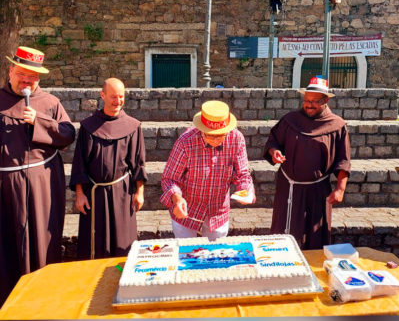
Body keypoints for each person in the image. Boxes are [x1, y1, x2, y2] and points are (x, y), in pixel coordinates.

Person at [0, 46, 75, 305]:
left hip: (43, 186)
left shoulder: (50, 103)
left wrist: (39, 121)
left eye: (33, 77)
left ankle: (43, 298)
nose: (27, 81)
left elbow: (67, 134)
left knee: (43, 239)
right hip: (5, 189)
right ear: (11, 71)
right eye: (22, 74)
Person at [263, 76, 351, 249]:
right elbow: (273, 142)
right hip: (288, 187)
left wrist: (340, 189)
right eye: (306, 100)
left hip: (318, 190)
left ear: (326, 100)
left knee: (315, 235)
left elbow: (343, 160)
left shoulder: (337, 125)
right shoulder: (290, 120)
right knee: (283, 232)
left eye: (315, 101)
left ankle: (312, 270)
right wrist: (275, 153)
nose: (309, 104)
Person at [69, 78, 147, 259]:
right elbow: (79, 163)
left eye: (121, 97)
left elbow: (138, 163)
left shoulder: (133, 126)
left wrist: (140, 192)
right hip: (94, 195)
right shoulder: (88, 127)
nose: (117, 101)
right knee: (94, 245)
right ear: (102, 95)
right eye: (113, 97)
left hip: (122, 193)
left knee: (123, 244)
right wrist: (80, 194)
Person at [160, 100, 255, 240]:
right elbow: (170, 178)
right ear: (201, 129)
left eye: (221, 135)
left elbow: (242, 174)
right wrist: (176, 198)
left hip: (218, 211)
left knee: (216, 256)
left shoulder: (236, 139)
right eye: (210, 135)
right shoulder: (186, 142)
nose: (216, 140)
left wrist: (245, 190)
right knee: (187, 256)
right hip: (187, 210)